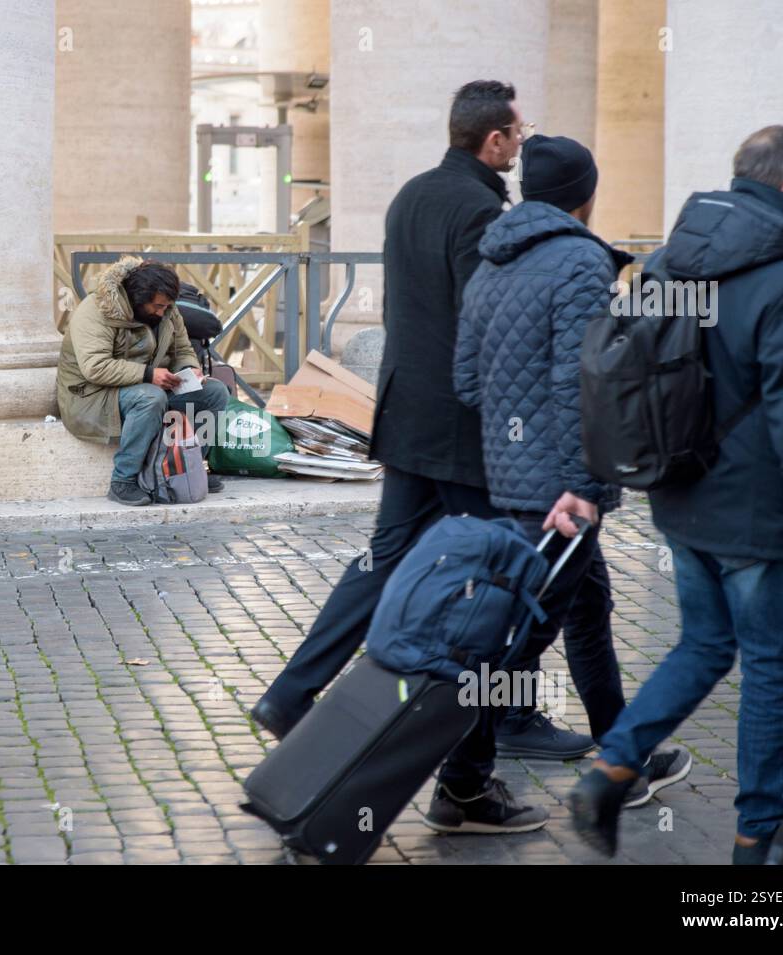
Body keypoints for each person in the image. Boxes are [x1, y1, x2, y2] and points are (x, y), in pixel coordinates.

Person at [251, 81, 606, 763]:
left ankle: (290, 693)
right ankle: (483, 754)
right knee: (507, 576)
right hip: (462, 425)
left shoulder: (411, 194)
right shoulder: (480, 211)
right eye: (517, 134)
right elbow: (490, 323)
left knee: (382, 563)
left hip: (405, 410)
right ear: (493, 139)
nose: (521, 146)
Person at [569, 125, 783, 865]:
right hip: (756, 514)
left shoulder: (674, 259)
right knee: (771, 668)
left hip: (679, 492)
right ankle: (756, 838)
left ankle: (610, 770)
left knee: (703, 644)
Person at [447, 133, 691, 833]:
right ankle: (460, 783)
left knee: (586, 611)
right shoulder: (583, 260)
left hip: (511, 481)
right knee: (516, 636)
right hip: (560, 492)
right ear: (587, 193)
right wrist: (582, 486)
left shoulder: (492, 260)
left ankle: (626, 757)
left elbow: (467, 381)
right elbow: (587, 383)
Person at [57, 256, 229, 505]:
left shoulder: (167, 310)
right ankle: (123, 481)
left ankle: (190, 465)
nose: (162, 312)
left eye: (167, 306)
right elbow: (95, 367)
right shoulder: (94, 310)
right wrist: (149, 374)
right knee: (150, 397)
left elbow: (182, 349)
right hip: (92, 395)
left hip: (146, 384)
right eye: (157, 306)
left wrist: (191, 370)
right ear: (138, 297)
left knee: (215, 392)